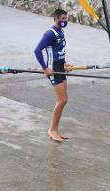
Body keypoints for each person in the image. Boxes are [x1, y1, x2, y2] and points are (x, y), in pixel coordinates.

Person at [34, 9, 70, 142]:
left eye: (66, 18)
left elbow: (59, 50)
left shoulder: (61, 31)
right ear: (56, 18)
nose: (65, 21)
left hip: (60, 67)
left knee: (65, 100)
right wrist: (45, 68)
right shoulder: (50, 33)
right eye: (63, 18)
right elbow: (37, 50)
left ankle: (56, 130)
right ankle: (52, 130)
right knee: (61, 100)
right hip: (53, 69)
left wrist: (65, 63)